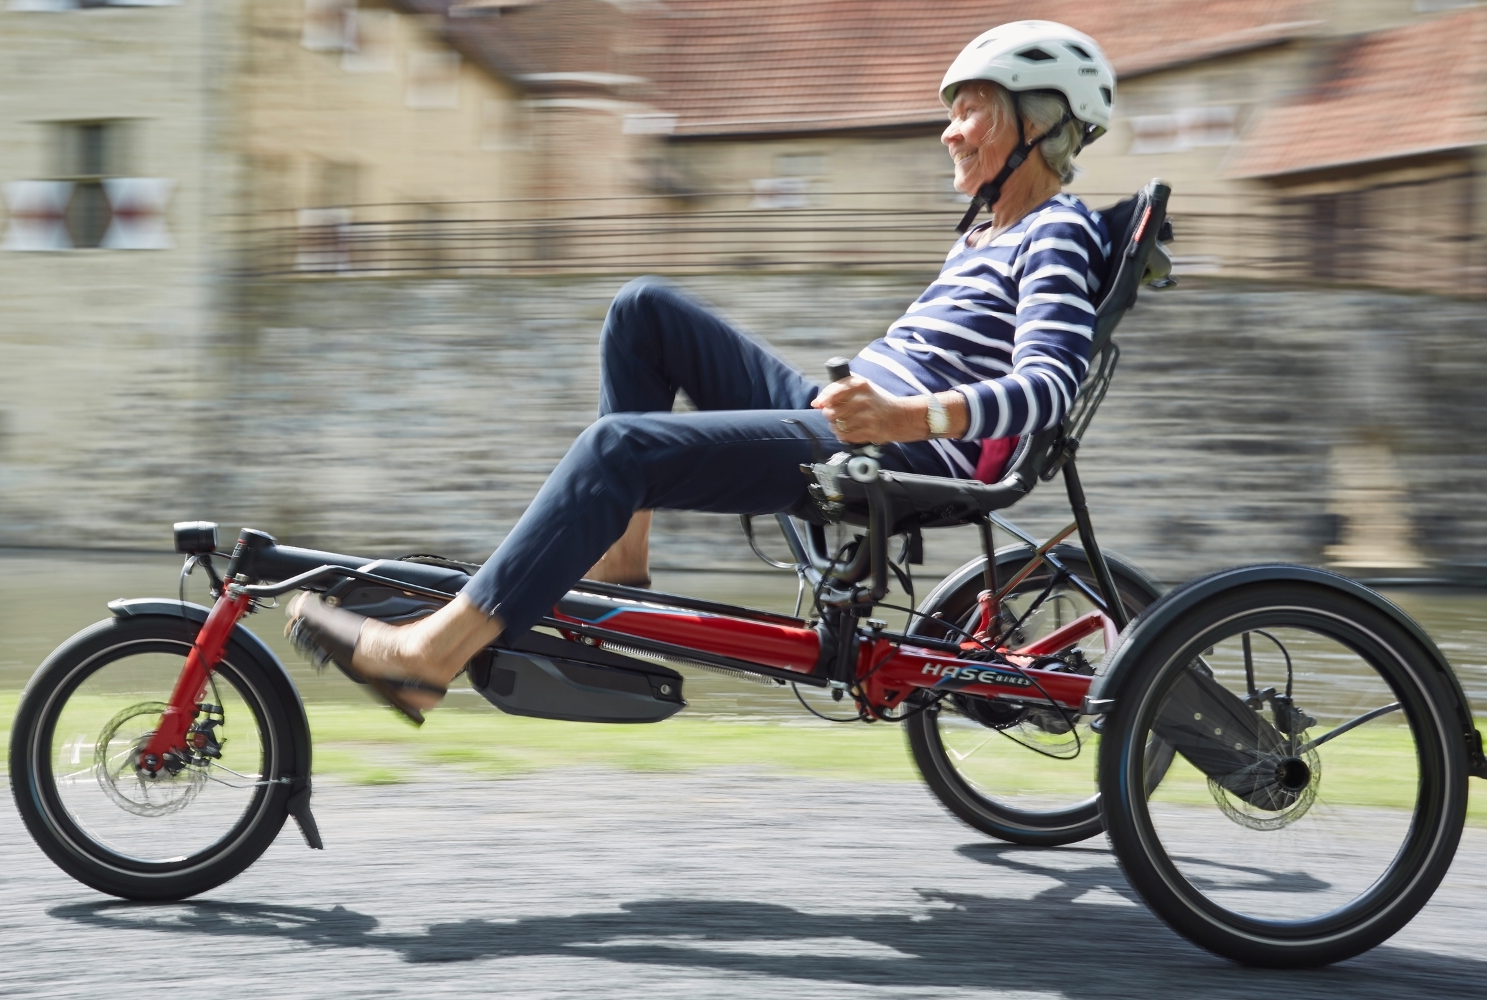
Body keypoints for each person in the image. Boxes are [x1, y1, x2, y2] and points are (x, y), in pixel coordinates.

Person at [288, 21, 1120, 723]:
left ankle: (425, 658)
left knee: (620, 449)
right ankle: (621, 571)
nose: (949, 130)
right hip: (851, 421)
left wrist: (905, 420)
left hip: (897, 452)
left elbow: (1047, 391)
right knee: (642, 309)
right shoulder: (983, 235)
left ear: (1042, 125)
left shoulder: (1057, 231)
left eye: (971, 110)